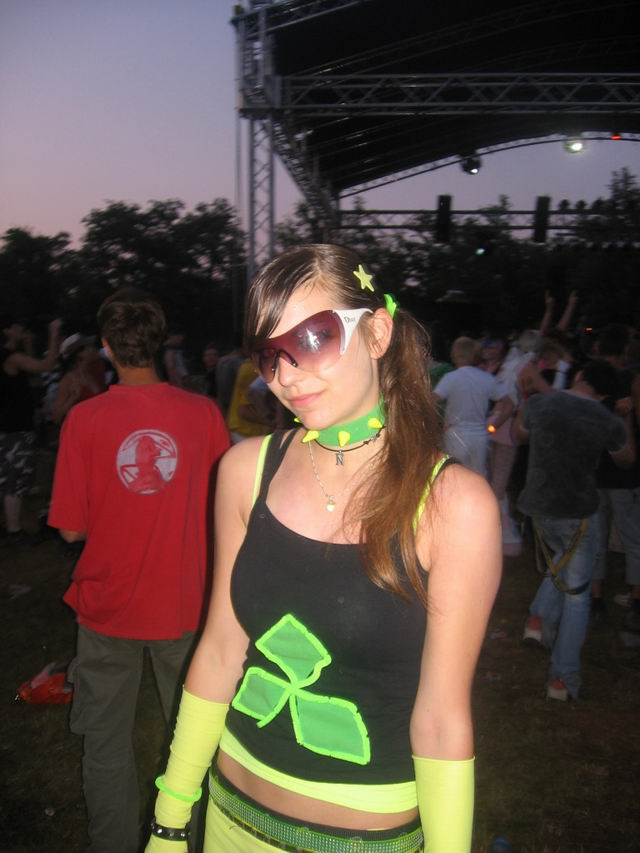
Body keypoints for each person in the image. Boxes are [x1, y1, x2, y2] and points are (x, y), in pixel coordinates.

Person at [145, 244, 501, 853]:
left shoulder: (453, 506)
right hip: (227, 816)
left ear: (377, 333)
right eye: (269, 354)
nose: (285, 375)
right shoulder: (245, 471)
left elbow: (442, 720)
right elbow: (221, 650)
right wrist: (170, 819)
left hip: (363, 839)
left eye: (312, 339)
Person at [48, 288, 229, 853]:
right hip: (186, 606)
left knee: (105, 743)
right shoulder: (202, 414)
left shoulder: (84, 420)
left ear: (106, 346)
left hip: (107, 608)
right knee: (194, 745)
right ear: (159, 343)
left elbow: (70, 529)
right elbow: (224, 509)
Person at [516, 360, 634, 701]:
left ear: (580, 376)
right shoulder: (606, 419)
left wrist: (527, 398)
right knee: (577, 596)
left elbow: (519, 435)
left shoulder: (542, 403)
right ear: (605, 393)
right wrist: (625, 417)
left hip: (539, 508)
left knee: (562, 563)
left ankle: (538, 619)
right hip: (578, 512)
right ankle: (562, 679)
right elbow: (626, 459)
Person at [0, 315, 62, 542]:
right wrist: (54, 334)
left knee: (9, 477)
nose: (22, 330)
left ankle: (11, 527)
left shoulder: (11, 356)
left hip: (10, 427)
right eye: (18, 327)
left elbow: (32, 375)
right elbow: (46, 366)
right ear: (7, 331)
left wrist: (28, 344)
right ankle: (14, 531)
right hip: (14, 428)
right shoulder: (10, 357)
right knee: (15, 478)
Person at [434, 336, 513, 478]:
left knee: (453, 476)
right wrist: (493, 427)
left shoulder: (451, 378)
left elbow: (431, 401)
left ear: (455, 354)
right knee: (478, 478)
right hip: (479, 437)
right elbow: (509, 404)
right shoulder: (487, 378)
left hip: (455, 435)